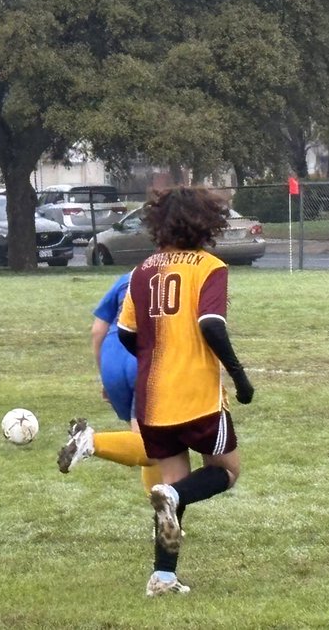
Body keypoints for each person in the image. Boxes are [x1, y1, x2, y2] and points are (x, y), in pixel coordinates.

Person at [115, 187, 255, 597]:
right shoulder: (209, 266)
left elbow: (127, 333)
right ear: (206, 221)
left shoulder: (143, 271)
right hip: (196, 394)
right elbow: (211, 323)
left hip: (153, 397)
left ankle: (162, 576)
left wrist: (155, 356)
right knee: (225, 472)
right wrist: (240, 377)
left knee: (172, 490)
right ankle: (172, 497)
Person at [56, 272, 162, 496]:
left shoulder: (128, 277)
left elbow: (97, 331)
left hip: (112, 354)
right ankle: (90, 441)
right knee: (160, 446)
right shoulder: (181, 273)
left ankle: (163, 519)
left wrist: (105, 375)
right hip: (146, 356)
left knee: (144, 441)